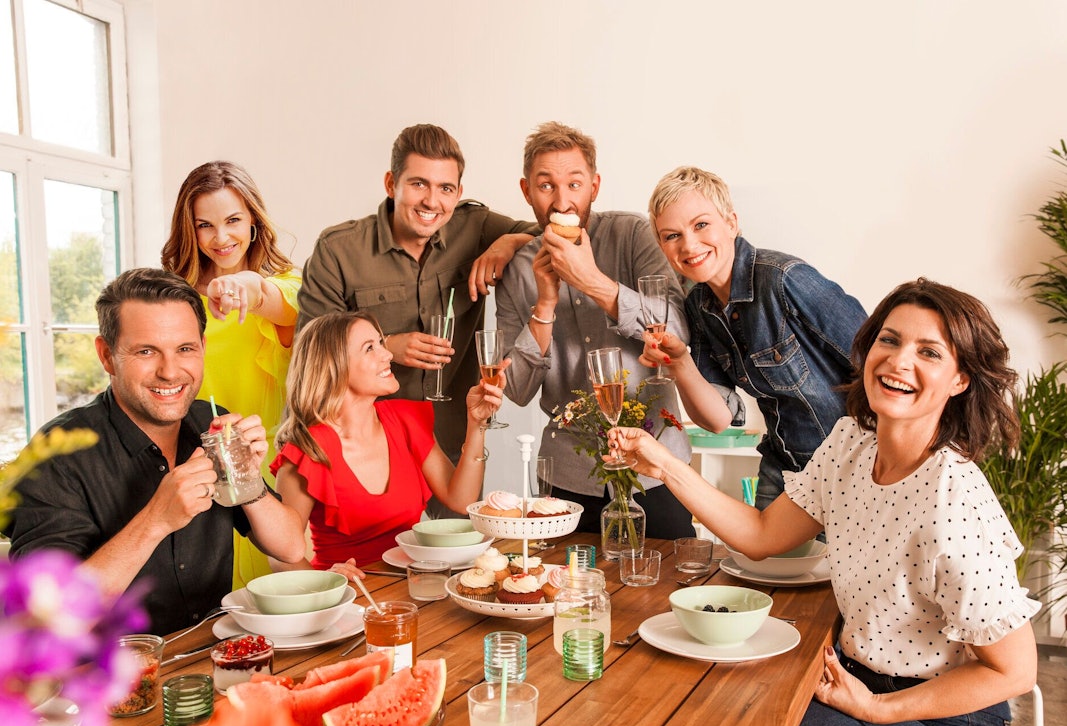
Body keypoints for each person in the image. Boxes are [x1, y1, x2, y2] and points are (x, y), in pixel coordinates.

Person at [608, 278, 1040, 726]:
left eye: (928, 352)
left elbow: (1014, 672)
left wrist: (878, 709)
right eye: (890, 339)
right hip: (849, 688)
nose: (899, 361)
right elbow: (763, 535)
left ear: (960, 380)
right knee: (699, 716)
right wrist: (665, 463)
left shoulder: (954, 504)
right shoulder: (851, 443)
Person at [5, 269, 307, 636]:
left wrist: (247, 481)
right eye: (146, 351)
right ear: (106, 356)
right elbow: (48, 617)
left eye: (185, 349)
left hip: (217, 655)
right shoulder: (53, 458)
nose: (170, 371)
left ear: (202, 349)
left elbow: (290, 546)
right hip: (114, 681)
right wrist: (156, 520)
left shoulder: (210, 423)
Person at [297, 124, 539, 517]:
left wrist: (509, 241)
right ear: (392, 182)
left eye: (445, 188)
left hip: (451, 444)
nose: (432, 201)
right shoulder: (338, 250)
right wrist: (386, 344)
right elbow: (311, 349)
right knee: (374, 570)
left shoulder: (475, 227)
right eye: (418, 184)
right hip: (367, 449)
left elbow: (560, 235)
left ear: (458, 193)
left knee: (461, 564)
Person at [495, 121, 694, 536]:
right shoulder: (518, 270)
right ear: (526, 190)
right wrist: (545, 303)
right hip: (569, 475)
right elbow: (514, 388)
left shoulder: (633, 234)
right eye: (546, 185)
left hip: (657, 465)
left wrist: (591, 281)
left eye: (574, 183)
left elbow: (678, 330)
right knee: (570, 591)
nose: (562, 199)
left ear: (594, 186)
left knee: (668, 587)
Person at [644, 166, 867, 509]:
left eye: (701, 225)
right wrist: (680, 363)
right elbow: (717, 420)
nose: (689, 244)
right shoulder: (698, 308)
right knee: (759, 562)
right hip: (783, 469)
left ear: (731, 222)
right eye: (672, 235)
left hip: (853, 469)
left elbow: (875, 363)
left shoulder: (784, 279)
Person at [270, 311, 506, 575]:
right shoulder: (307, 450)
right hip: (348, 600)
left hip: (412, 587)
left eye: (381, 343)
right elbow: (281, 557)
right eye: (370, 348)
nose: (387, 355)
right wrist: (326, 584)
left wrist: (476, 424)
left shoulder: (405, 420)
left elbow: (460, 499)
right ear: (333, 366)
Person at [162, 160, 302, 587]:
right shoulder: (173, 297)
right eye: (205, 225)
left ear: (255, 222)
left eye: (233, 220)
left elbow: (273, 299)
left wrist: (245, 286)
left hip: (266, 471)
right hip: (191, 472)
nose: (221, 238)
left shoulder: (289, 285)